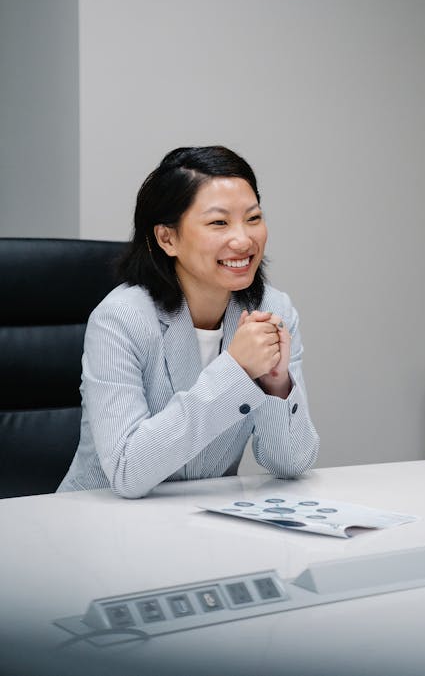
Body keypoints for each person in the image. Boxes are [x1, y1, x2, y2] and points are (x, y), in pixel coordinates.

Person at [58, 146, 319, 498]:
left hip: (203, 520)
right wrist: (236, 370)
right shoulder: (120, 318)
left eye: (253, 218)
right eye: (218, 222)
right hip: (100, 518)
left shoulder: (273, 309)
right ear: (167, 237)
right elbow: (127, 470)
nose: (243, 239)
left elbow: (291, 463)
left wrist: (276, 386)